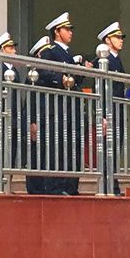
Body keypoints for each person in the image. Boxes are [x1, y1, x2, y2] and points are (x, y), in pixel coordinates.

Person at [39, 12, 93, 195]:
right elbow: (44, 70)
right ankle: (56, 187)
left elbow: (73, 80)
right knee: (58, 148)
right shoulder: (50, 51)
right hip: (59, 107)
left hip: (71, 108)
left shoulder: (68, 53)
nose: (70, 33)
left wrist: (81, 71)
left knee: (73, 148)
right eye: (66, 29)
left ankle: (71, 186)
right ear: (57, 31)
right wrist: (60, 78)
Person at [93, 22, 126, 196]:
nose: (121, 40)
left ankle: (112, 184)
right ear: (107, 40)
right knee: (108, 149)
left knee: (114, 149)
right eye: (117, 37)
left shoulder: (116, 59)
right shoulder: (104, 61)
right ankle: (108, 186)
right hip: (108, 111)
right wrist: (103, 115)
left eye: (121, 37)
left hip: (116, 109)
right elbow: (101, 89)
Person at [0, 32, 25, 188]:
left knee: (11, 153)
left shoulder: (14, 71)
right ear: (2, 50)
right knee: (1, 153)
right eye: (10, 48)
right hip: (2, 119)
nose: (14, 51)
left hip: (14, 118)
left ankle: (7, 185)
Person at [26, 35, 52, 194]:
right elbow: (31, 100)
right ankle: (35, 187)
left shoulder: (47, 75)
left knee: (46, 154)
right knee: (36, 154)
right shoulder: (34, 76)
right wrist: (32, 121)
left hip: (48, 118)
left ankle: (44, 185)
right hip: (38, 118)